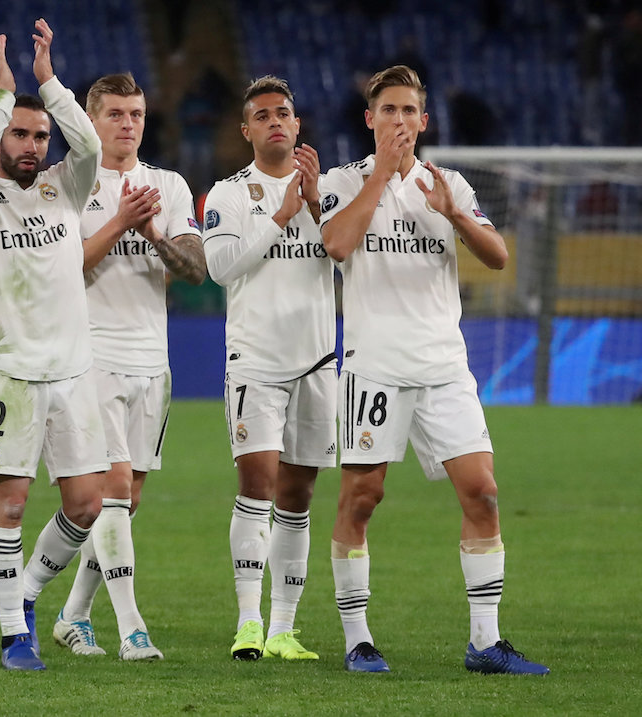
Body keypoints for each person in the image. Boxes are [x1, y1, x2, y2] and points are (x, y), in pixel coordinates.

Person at [318, 65, 549, 675]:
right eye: (388, 110)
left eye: (409, 112)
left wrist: (455, 214)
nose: (399, 121)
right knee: (362, 497)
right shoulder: (344, 182)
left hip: (445, 367)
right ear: (369, 119)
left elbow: (498, 256)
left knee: (484, 492)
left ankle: (484, 642)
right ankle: (357, 639)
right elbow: (337, 246)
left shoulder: (449, 185)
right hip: (375, 370)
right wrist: (382, 179)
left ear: (425, 120)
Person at [0, 19, 107, 672]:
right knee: (8, 502)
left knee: (87, 504)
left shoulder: (63, 188)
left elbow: (89, 145)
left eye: (41, 134)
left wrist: (49, 83)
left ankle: (29, 592)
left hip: (74, 372)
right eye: (22, 132)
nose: (34, 143)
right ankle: (15, 632)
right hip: (11, 372)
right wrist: (3, 98)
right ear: (4, 134)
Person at [51, 73, 206, 661]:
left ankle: (72, 613)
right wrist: (119, 223)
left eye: (136, 113)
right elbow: (60, 269)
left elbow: (194, 269)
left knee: (127, 499)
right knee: (114, 489)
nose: (127, 123)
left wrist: (151, 232)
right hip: (91, 355)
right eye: (115, 113)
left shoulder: (166, 184)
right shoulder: (68, 182)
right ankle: (133, 629)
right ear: (91, 121)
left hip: (151, 359)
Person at [202, 76, 337, 661]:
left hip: (317, 360)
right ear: (246, 130)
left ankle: (285, 628)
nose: (275, 121)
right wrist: (282, 215)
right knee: (256, 484)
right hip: (255, 359)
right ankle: (248, 621)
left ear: (298, 123)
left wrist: (311, 205)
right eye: (263, 115)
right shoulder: (228, 194)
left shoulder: (328, 190)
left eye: (284, 112)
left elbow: (347, 251)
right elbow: (221, 268)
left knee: (299, 494)